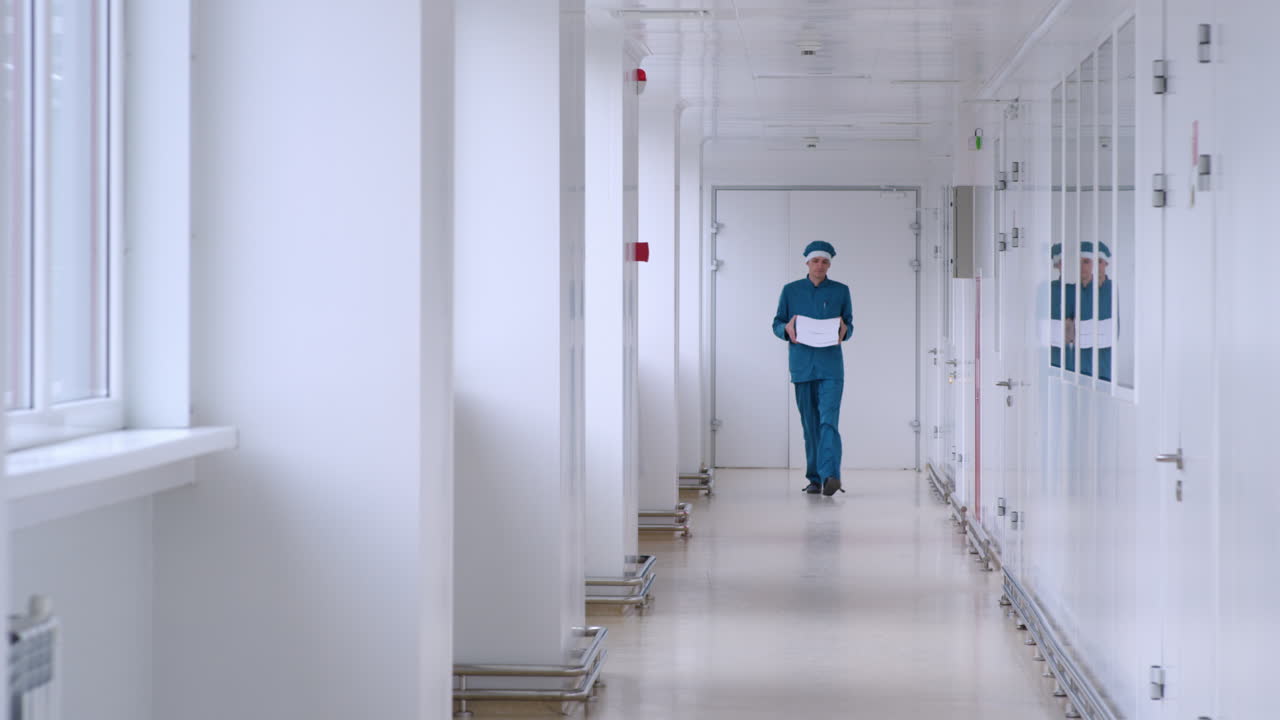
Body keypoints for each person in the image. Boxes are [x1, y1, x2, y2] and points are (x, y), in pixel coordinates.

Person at [772, 241, 854, 496]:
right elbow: (777, 323)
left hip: (831, 367)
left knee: (829, 421)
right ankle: (815, 479)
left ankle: (831, 475)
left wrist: (845, 331)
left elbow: (849, 325)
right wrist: (785, 330)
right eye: (816, 261)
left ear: (830, 264)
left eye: (825, 261)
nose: (820, 265)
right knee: (810, 424)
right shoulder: (791, 291)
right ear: (807, 262)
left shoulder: (841, 291)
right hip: (802, 366)